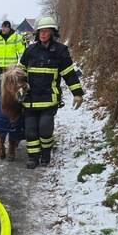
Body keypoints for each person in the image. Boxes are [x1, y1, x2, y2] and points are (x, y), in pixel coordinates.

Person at [19, 16, 84, 169]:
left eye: (46, 31)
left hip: (49, 98)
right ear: (37, 33)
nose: (43, 34)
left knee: (45, 127)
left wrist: (77, 93)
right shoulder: (30, 51)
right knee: (30, 130)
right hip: (30, 99)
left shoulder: (60, 51)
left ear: (52, 32)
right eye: (41, 31)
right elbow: (20, 72)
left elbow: (69, 74)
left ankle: (45, 153)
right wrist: (18, 85)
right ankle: (33, 157)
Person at [0, 20, 25, 159]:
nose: (4, 29)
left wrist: (20, 64)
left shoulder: (16, 38)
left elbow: (22, 51)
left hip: (12, 71)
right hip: (0, 69)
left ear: (9, 28)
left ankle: (13, 139)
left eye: (6, 27)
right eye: (2, 27)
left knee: (14, 95)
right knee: (2, 96)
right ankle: (2, 120)